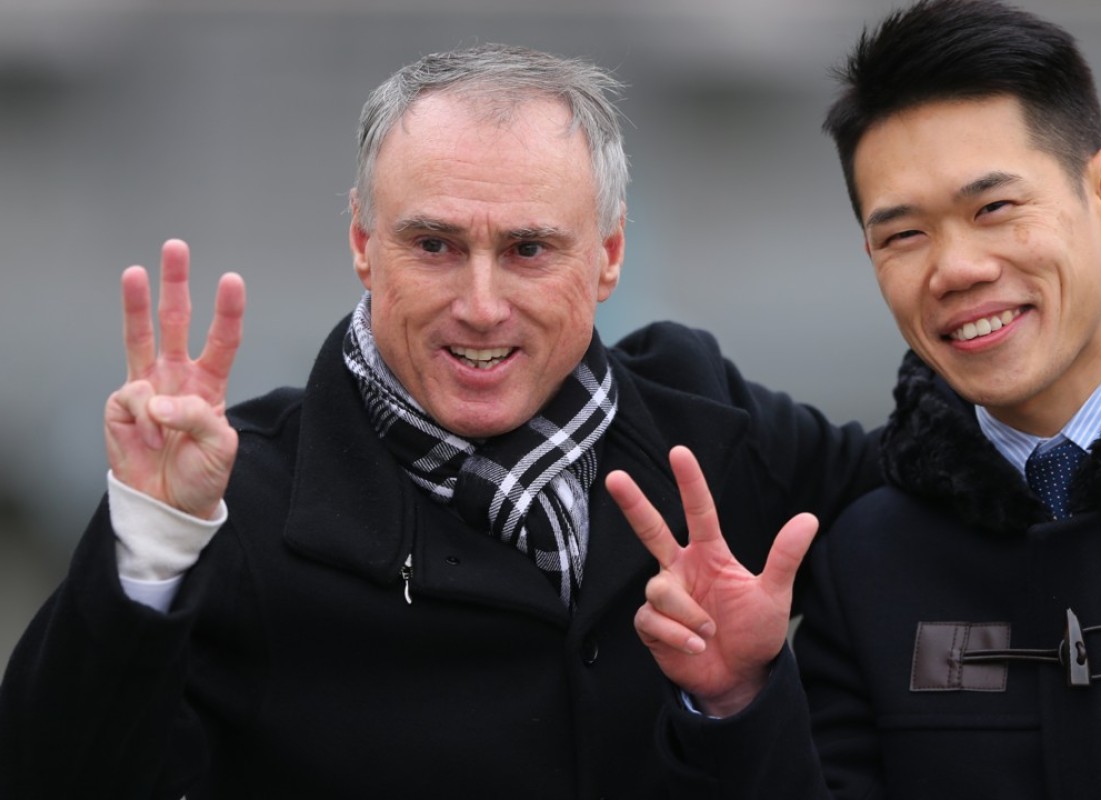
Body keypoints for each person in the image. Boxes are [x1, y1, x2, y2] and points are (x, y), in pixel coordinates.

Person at [0, 44, 883, 799]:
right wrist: (152, 539)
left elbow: (956, 483)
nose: (481, 304)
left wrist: (736, 702)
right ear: (361, 244)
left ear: (609, 256)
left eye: (529, 249)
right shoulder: (236, 502)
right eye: (435, 246)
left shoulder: (710, 423)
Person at [607, 1, 1101, 797]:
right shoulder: (867, 559)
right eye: (903, 235)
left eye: (994, 208)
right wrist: (738, 700)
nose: (955, 269)